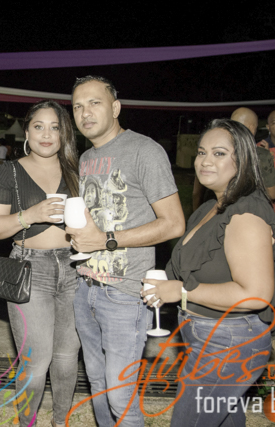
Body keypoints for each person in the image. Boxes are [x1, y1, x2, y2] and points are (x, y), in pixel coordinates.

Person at [142, 119, 275, 427]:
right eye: (201, 152)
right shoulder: (214, 206)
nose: (205, 161)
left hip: (227, 343)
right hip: (209, 336)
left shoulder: (245, 213)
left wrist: (182, 291)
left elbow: (255, 295)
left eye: (219, 153)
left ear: (243, 160)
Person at [66, 76, 185, 426]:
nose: (85, 112)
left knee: (120, 396)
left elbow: (174, 224)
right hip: (84, 288)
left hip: (124, 294)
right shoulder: (86, 157)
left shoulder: (144, 150)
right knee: (98, 385)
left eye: (94, 103)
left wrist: (105, 240)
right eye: (77, 106)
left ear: (115, 107)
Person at [0, 99, 81, 427]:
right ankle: (27, 422)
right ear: (27, 132)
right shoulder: (10, 171)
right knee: (36, 363)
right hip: (29, 268)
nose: (47, 134)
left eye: (55, 127)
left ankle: (61, 421)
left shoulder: (77, 170)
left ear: (64, 133)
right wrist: (31, 215)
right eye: (39, 126)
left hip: (74, 268)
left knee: (67, 359)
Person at [192, 107, 275, 210]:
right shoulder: (260, 154)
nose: (206, 162)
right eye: (201, 153)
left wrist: (197, 212)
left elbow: (196, 192)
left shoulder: (209, 150)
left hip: (212, 207)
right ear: (252, 127)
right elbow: (273, 193)